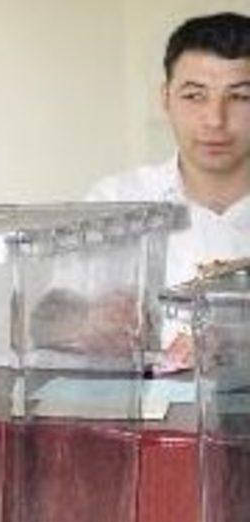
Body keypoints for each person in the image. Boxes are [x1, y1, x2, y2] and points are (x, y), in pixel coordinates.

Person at [87, 12, 250, 370]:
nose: (215, 120)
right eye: (194, 96)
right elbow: (49, 321)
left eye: (240, 97)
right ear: (166, 98)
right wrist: (92, 324)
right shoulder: (115, 202)